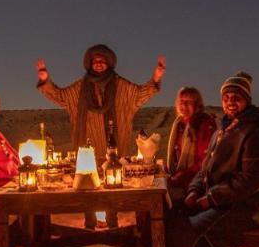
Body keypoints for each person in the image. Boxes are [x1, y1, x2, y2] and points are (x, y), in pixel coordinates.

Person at [129, 72, 259, 247]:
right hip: (219, 199)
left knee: (180, 229)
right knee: (167, 214)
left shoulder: (254, 131)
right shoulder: (225, 128)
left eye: (237, 97)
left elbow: (251, 180)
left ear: (247, 100)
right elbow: (204, 168)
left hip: (243, 206)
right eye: (227, 97)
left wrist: (209, 199)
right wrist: (192, 191)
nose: (231, 101)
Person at [36, 44, 165, 227]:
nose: (99, 63)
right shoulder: (80, 88)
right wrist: (45, 79)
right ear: (89, 63)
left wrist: (155, 78)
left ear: (109, 63)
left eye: (103, 60)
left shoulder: (121, 85)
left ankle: (113, 225)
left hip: (114, 149)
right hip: (87, 152)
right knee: (88, 189)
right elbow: (61, 96)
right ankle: (90, 224)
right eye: (95, 60)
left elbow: (138, 95)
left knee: (113, 189)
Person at [165, 86, 217, 202]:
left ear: (198, 105)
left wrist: (178, 178)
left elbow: (204, 163)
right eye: (181, 101)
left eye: (188, 102)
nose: (183, 106)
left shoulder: (203, 125)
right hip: (179, 177)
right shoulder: (179, 123)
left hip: (195, 185)